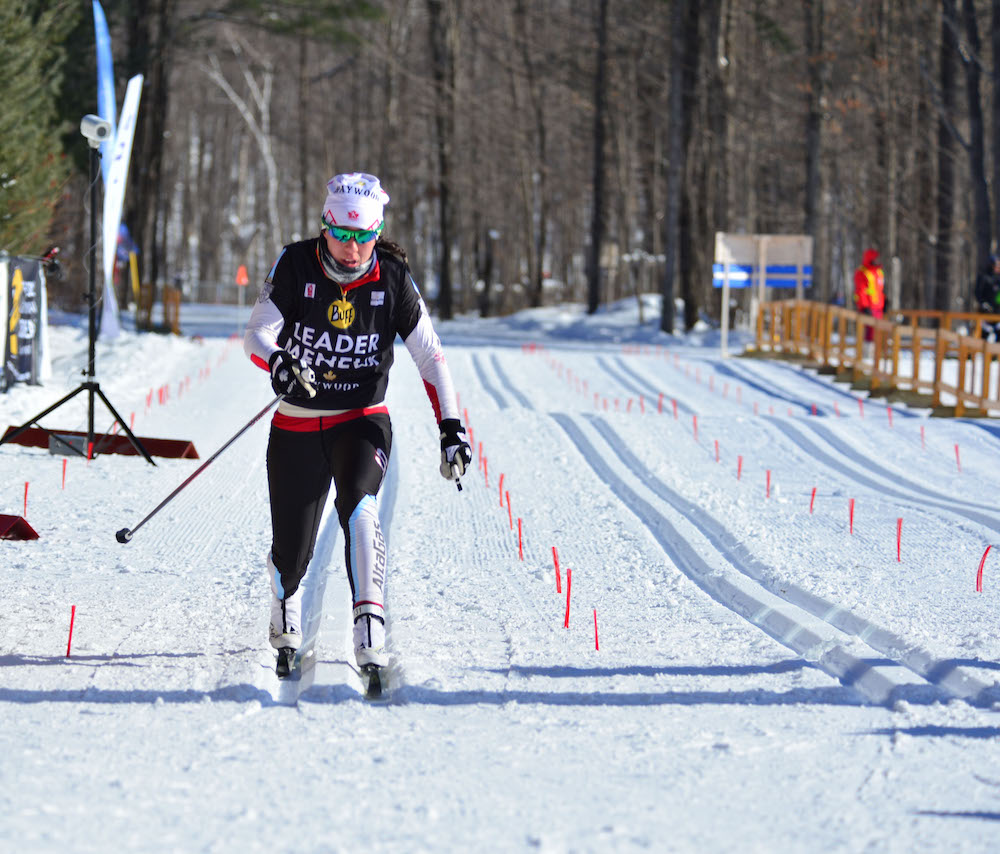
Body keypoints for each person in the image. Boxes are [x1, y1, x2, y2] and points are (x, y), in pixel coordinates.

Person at [243, 172, 472, 677]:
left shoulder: (391, 276)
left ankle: (369, 623)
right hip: (298, 423)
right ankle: (284, 606)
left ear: (377, 230)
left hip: (361, 419)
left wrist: (451, 427)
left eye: (364, 236)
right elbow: (257, 333)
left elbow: (431, 358)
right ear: (325, 227)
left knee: (361, 508)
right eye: (343, 236)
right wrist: (280, 361)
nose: (352, 249)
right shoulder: (295, 261)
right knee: (291, 552)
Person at [853, 248, 885, 341]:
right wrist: (864, 306)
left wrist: (884, 301)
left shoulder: (879, 272)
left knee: (878, 332)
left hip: (878, 307)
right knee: (868, 332)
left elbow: (879, 289)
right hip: (868, 307)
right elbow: (860, 291)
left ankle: (876, 351)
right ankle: (866, 353)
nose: (877, 261)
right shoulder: (862, 272)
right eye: (875, 258)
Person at [974, 254, 1000, 340]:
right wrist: (983, 304)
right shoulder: (983, 277)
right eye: (996, 265)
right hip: (986, 312)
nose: (998, 268)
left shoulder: (998, 279)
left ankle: (996, 353)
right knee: (982, 335)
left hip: (997, 312)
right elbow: (978, 292)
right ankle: (973, 352)